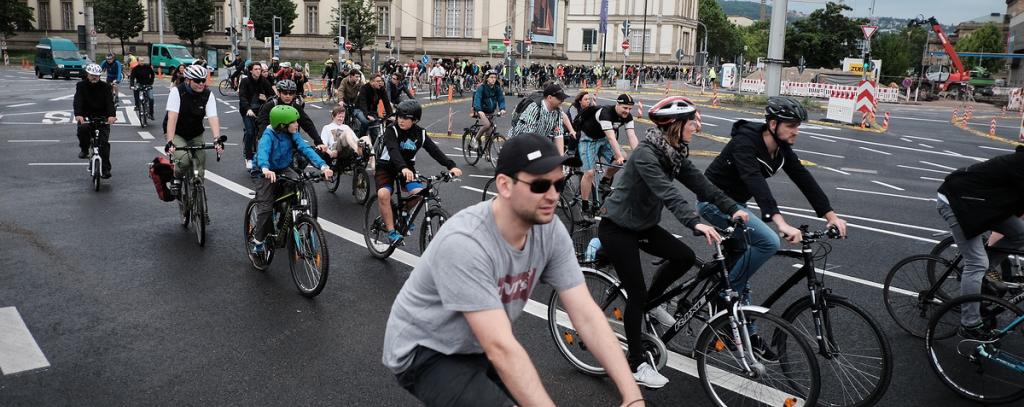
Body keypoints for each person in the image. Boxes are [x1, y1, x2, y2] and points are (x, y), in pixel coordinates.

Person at [382, 133, 645, 407]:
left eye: (558, 184)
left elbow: (587, 315)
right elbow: (501, 348)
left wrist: (632, 395)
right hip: (425, 350)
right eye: (540, 185)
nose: (553, 195)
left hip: (476, 342)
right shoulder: (465, 242)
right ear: (505, 185)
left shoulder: (549, 230)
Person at [599, 96, 749, 388]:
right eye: (692, 122)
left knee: (684, 257)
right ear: (676, 125)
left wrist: (733, 208)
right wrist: (695, 222)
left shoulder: (673, 152)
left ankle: (652, 302)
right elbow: (667, 193)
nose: (697, 126)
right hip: (617, 228)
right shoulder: (646, 154)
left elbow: (702, 185)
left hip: (642, 225)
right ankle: (636, 364)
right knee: (636, 294)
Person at [700, 96, 848, 305]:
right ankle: (727, 296)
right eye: (791, 126)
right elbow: (755, 180)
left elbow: (803, 178)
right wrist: (780, 223)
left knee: (744, 258)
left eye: (797, 126)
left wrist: (831, 216)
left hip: (738, 206)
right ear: (772, 124)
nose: (796, 131)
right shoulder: (745, 142)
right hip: (714, 203)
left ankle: (735, 301)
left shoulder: (781, 148)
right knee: (769, 242)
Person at [936, 145, 1024, 339]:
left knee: (1020, 234)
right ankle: (969, 324)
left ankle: (985, 273)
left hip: (984, 205)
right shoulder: (1020, 164)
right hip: (957, 202)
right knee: (976, 263)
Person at [374, 100, 462, 243]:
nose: (401, 120)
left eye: (405, 118)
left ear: (415, 120)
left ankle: (404, 212)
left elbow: (434, 151)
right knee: (383, 194)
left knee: (420, 192)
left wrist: (451, 166)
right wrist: (402, 168)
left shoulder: (420, 133)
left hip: (407, 168)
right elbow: (393, 150)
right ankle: (391, 232)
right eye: (399, 116)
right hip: (386, 167)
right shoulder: (392, 130)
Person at [250, 105, 334, 253]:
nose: (296, 124)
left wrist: (323, 166)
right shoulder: (268, 136)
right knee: (266, 208)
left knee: (298, 183)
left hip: (282, 168)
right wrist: (265, 168)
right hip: (264, 171)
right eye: (293, 122)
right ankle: (258, 242)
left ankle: (286, 217)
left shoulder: (292, 133)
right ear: (282, 125)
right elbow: (263, 152)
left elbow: (305, 149)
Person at [576, 93, 640, 217]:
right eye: (625, 108)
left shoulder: (627, 117)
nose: (627, 111)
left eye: (629, 109)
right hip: (588, 139)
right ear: (617, 104)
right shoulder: (606, 113)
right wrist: (618, 155)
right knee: (589, 173)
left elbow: (632, 136)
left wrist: (639, 156)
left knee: (624, 157)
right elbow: (611, 138)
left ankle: (604, 181)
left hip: (602, 139)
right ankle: (585, 207)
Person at [163, 65, 224, 189]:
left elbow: (213, 117)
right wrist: (170, 141)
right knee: (184, 161)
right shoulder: (177, 92)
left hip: (196, 132)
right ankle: (176, 176)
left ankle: (197, 194)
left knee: (200, 167)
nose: (201, 84)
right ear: (188, 80)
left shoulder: (208, 94)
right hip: (177, 132)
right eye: (197, 80)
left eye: (203, 80)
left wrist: (217, 139)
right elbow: (172, 118)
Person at [256, 79, 327, 152]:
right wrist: (265, 141)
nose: (288, 96)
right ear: (279, 93)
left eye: (291, 93)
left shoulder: (295, 106)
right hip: (273, 140)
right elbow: (262, 123)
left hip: (291, 141)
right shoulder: (270, 105)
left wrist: (319, 142)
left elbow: (307, 124)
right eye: (285, 93)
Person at [73, 63, 116, 177]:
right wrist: (78, 115)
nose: (94, 77)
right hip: (86, 116)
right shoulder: (81, 86)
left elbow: (109, 103)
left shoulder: (106, 87)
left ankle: (105, 169)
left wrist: (111, 116)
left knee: (104, 144)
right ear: (87, 74)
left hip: (102, 117)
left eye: (96, 75)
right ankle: (84, 149)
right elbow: (78, 101)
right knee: (82, 129)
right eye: (92, 75)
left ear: (99, 76)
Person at [507, 83, 567, 155]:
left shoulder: (558, 111)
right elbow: (528, 137)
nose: (562, 100)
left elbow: (558, 135)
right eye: (559, 98)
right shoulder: (534, 108)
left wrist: (561, 158)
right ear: (550, 98)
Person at [238, 63, 276, 169]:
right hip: (247, 110)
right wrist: (248, 109)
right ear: (251, 71)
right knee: (250, 132)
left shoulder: (263, 81)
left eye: (259, 69)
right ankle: (249, 158)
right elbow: (242, 96)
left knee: (265, 132)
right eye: (256, 69)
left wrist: (266, 98)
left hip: (261, 111)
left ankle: (265, 156)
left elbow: (272, 95)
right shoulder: (245, 81)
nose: (258, 71)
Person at [320, 104, 373, 168]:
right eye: (339, 116)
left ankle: (373, 164)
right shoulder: (327, 127)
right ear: (333, 116)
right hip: (336, 149)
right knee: (346, 132)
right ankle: (358, 152)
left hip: (349, 149)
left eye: (343, 117)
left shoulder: (346, 126)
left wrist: (362, 143)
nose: (341, 119)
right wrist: (330, 153)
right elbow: (323, 144)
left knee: (366, 138)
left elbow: (356, 139)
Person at [471, 70, 507, 143]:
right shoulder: (482, 88)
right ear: (487, 78)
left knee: (490, 132)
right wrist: (479, 110)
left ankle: (487, 150)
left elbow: (501, 99)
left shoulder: (497, 88)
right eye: (491, 77)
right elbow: (477, 99)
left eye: (495, 77)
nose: (493, 79)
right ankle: (474, 140)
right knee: (487, 125)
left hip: (491, 112)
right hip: (481, 111)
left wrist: (502, 109)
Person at [355, 73, 394, 140]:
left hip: (372, 111)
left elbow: (386, 102)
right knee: (366, 121)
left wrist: (390, 115)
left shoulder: (381, 89)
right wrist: (367, 115)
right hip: (359, 109)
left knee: (376, 128)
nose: (380, 83)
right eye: (378, 81)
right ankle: (360, 139)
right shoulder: (364, 88)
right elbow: (363, 103)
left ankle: (375, 144)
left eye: (380, 81)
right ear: (371, 82)